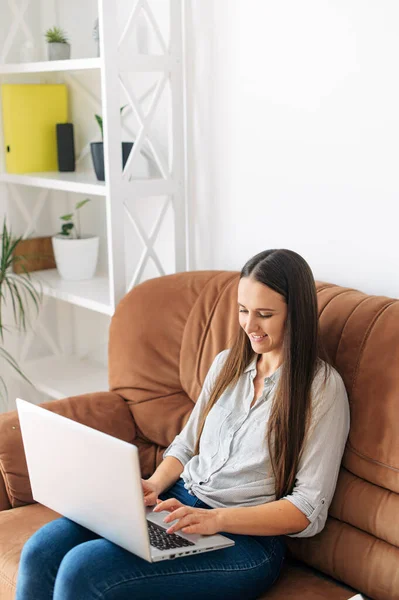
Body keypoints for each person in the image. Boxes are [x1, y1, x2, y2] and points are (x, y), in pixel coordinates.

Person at [16, 249, 350, 600]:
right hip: (179, 503)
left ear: (296, 315)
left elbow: (307, 509)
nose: (249, 325)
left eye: (264, 315)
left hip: (246, 542)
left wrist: (216, 520)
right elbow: (187, 444)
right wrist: (153, 485)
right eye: (242, 310)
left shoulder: (322, 390)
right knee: (43, 550)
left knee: (83, 570)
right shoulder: (227, 365)